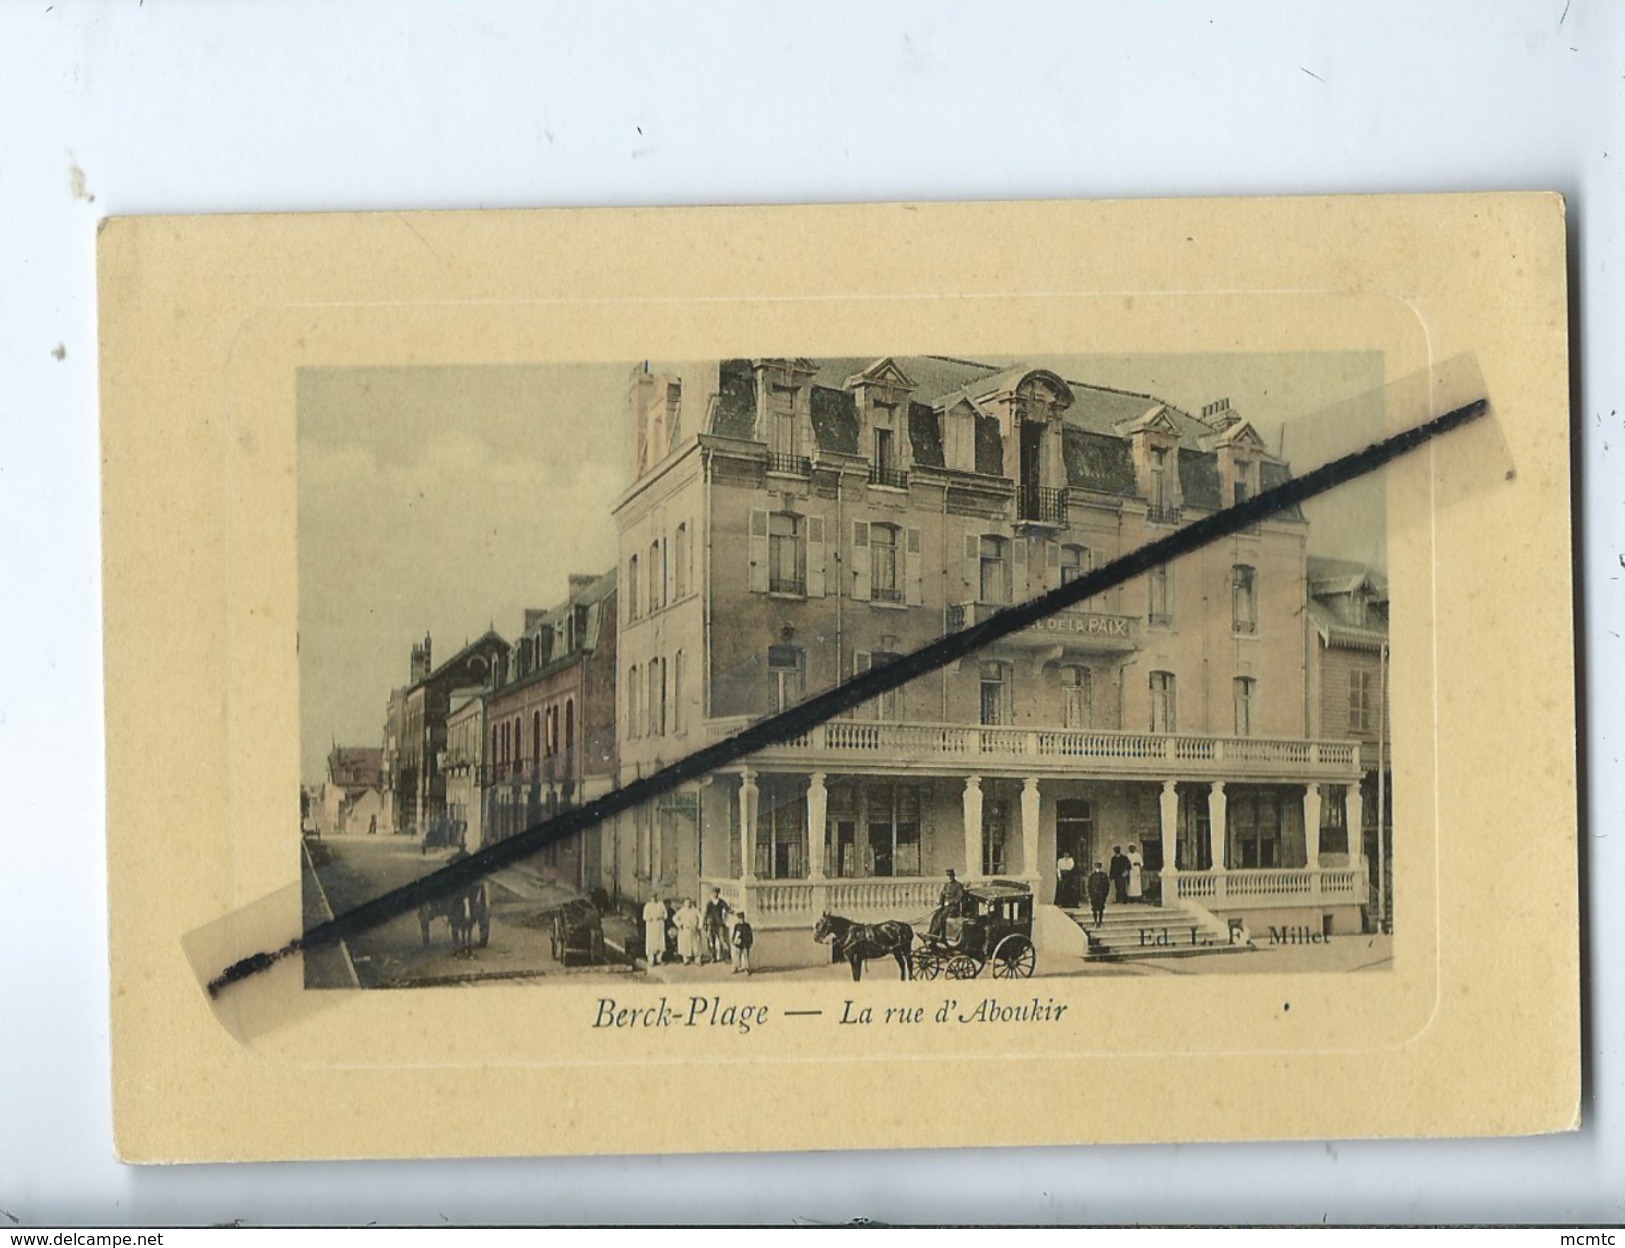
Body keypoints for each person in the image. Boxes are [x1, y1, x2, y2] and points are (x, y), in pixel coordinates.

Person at [929, 868, 966, 939]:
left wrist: (949, 902)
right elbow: (943, 895)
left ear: (953, 876)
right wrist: (940, 902)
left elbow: (959, 898)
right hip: (945, 908)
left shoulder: (958, 886)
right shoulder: (946, 885)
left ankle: (938, 936)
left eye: (950, 876)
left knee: (941, 917)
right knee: (935, 916)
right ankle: (931, 933)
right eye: (948, 876)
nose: (949, 878)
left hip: (954, 909)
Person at [702, 887, 731, 964]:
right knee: (711, 941)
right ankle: (712, 957)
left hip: (719, 923)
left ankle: (726, 957)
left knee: (722, 940)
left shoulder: (721, 902)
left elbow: (727, 909)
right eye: (713, 893)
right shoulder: (709, 903)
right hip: (711, 924)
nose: (715, 894)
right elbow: (706, 914)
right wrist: (704, 923)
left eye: (716, 893)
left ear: (718, 893)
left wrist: (733, 912)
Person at [674, 897, 702, 965]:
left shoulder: (695, 910)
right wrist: (680, 925)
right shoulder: (682, 911)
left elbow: (701, 917)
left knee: (695, 945)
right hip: (685, 930)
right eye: (686, 903)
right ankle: (686, 960)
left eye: (689, 902)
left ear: (691, 903)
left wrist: (699, 926)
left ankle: (697, 960)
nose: (688, 904)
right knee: (685, 945)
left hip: (693, 929)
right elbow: (674, 918)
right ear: (684, 903)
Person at [641, 892, 667, 968]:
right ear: (650, 898)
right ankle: (651, 960)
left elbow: (665, 914)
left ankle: (659, 959)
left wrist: (660, 917)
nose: (653, 898)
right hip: (651, 926)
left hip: (659, 925)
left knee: (660, 942)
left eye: (655, 897)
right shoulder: (648, 906)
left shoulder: (661, 904)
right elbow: (645, 916)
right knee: (651, 942)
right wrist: (650, 918)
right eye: (652, 897)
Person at [1086, 861, 1111, 927]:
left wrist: (1105, 894)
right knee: (1094, 908)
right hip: (1094, 895)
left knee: (1100, 908)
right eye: (1096, 867)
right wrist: (1090, 894)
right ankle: (1095, 921)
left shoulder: (1103, 875)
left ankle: (1100, 921)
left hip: (1101, 895)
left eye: (1098, 867)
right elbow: (1089, 885)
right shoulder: (1092, 876)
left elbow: (1107, 885)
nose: (1097, 868)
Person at [731, 909, 754, 975]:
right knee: (737, 955)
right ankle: (735, 967)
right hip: (738, 943)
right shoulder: (737, 926)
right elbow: (734, 934)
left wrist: (750, 942)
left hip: (745, 943)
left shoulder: (747, 925)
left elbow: (750, 934)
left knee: (746, 955)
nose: (741, 920)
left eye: (742, 918)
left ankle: (747, 969)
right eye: (739, 918)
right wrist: (733, 940)